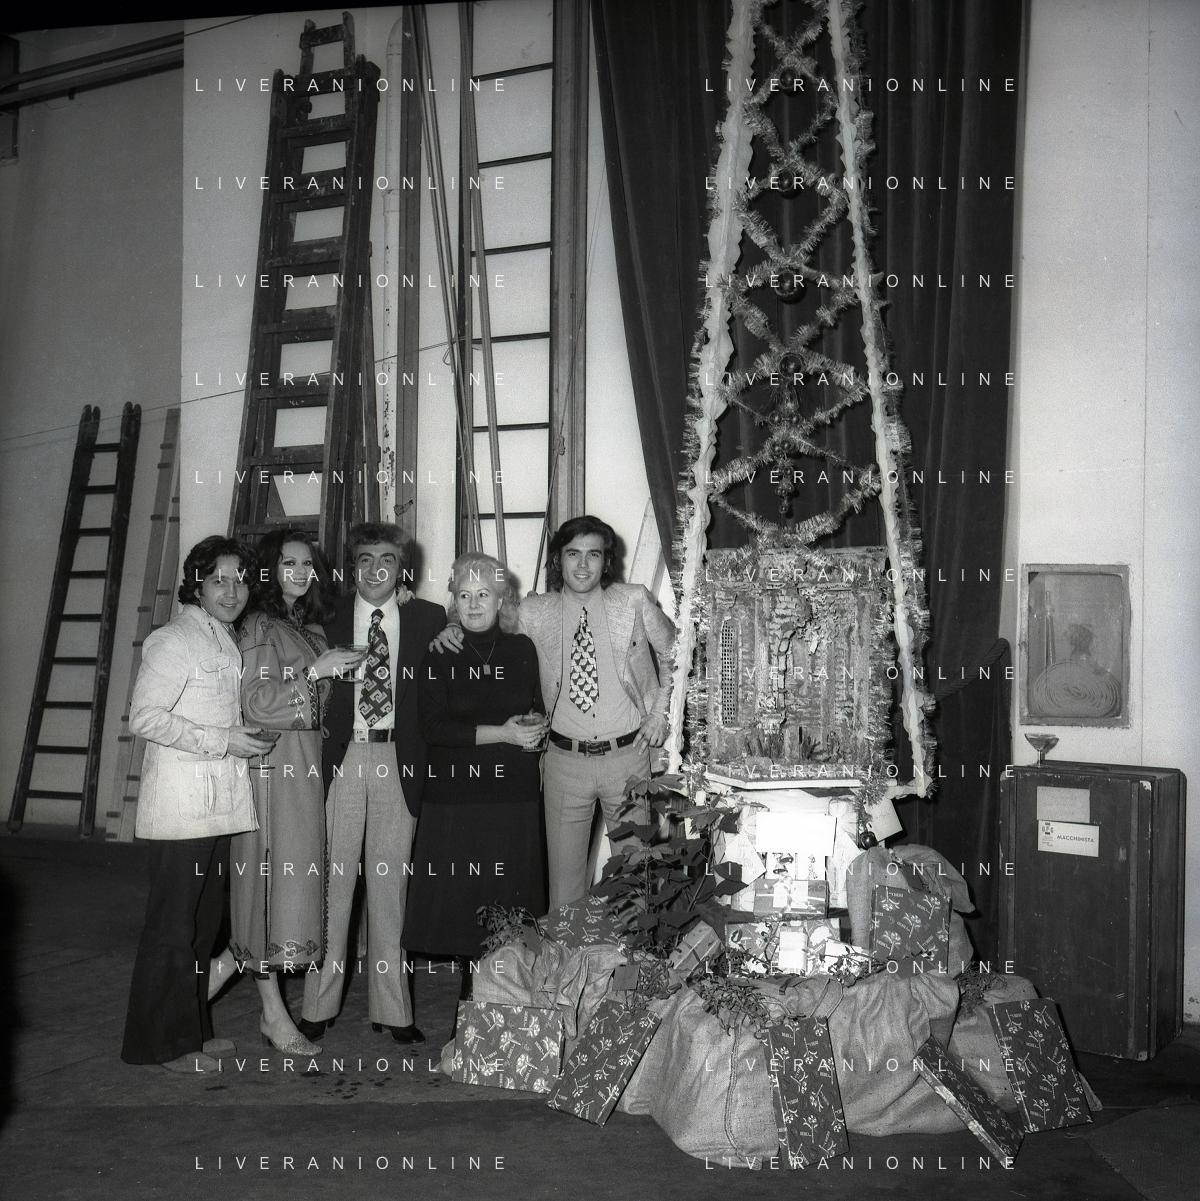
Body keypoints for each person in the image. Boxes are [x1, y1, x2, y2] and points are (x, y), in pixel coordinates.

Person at [435, 515, 676, 909]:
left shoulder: (633, 600)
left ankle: (632, 950)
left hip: (628, 759)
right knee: (563, 891)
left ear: (606, 561)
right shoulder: (534, 611)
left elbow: (676, 654)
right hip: (564, 762)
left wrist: (659, 714)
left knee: (635, 879)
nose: (582, 565)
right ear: (558, 560)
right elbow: (485, 622)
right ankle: (567, 951)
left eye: (593, 555)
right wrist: (453, 626)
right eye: (573, 554)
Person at [120, 536, 277, 1073]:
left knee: (203, 923)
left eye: (241, 581)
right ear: (197, 585)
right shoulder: (174, 639)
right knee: (173, 927)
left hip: (215, 807)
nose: (232, 591)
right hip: (181, 811)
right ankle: (162, 1045)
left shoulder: (222, 639)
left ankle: (192, 1031)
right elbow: (145, 717)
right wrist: (223, 739)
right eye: (219, 580)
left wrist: (238, 736)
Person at [208, 530, 363, 1056]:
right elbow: (256, 703)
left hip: (306, 771)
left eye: (307, 563)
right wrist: (315, 673)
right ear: (269, 571)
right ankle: (273, 1016)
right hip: (271, 768)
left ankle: (194, 999)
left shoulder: (311, 628)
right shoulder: (258, 625)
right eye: (288, 562)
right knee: (269, 894)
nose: (299, 571)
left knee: (284, 898)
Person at [297, 523, 446, 1047]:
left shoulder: (429, 618)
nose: (376, 570)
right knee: (332, 887)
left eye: (387, 560)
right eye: (365, 559)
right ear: (352, 567)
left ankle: (394, 1010)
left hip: (398, 759)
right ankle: (317, 1005)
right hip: (340, 759)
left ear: (402, 569)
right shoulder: (327, 615)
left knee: (390, 891)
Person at [403, 553, 548, 997]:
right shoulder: (440, 651)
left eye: (484, 594)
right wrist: (502, 733)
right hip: (457, 797)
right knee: (465, 905)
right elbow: (433, 728)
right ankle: (470, 1002)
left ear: (502, 599)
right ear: (454, 601)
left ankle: (505, 997)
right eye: (464, 595)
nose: (473, 604)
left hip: (513, 795)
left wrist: (536, 730)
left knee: (508, 899)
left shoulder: (522, 649)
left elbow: (537, 707)